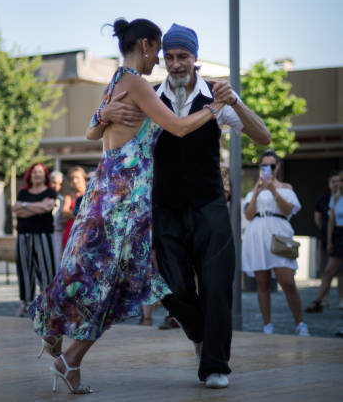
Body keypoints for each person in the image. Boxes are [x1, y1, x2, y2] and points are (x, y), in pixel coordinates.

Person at [29, 18, 230, 394]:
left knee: (97, 277)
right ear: (144, 45)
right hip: (123, 202)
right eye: (158, 50)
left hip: (106, 193)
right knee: (112, 283)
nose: (160, 60)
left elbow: (93, 130)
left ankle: (60, 346)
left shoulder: (118, 79)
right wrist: (216, 107)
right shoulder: (137, 82)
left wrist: (101, 117)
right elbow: (179, 127)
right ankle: (64, 353)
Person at [93, 23, 271, 388]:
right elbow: (103, 129)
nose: (174, 64)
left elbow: (262, 136)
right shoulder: (150, 97)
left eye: (182, 56)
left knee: (217, 282)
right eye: (169, 56)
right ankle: (201, 335)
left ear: (195, 59)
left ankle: (215, 365)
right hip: (165, 207)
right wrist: (106, 112)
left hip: (209, 205)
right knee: (169, 287)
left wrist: (235, 100)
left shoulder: (217, 98)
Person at [242, 151, 309, 335]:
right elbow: (248, 215)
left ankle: (300, 323)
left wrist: (273, 190)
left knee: (287, 281)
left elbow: (288, 211)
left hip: (279, 233)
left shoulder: (286, 187)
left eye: (272, 165)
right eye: (264, 166)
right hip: (257, 234)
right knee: (262, 283)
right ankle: (267, 325)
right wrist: (257, 191)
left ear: (277, 166)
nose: (268, 169)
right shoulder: (252, 190)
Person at [13, 163, 57, 318]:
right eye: (34, 172)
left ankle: (47, 304)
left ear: (45, 175)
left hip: (43, 234)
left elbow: (47, 208)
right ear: (30, 175)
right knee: (25, 269)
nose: (37, 175)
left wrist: (25, 207)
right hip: (24, 235)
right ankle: (24, 303)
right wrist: (37, 207)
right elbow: (17, 211)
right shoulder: (23, 193)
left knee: (46, 269)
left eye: (40, 172)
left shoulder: (50, 191)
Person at [306, 170, 343, 312]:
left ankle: (318, 301)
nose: (338, 184)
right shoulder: (333, 199)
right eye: (335, 181)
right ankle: (320, 300)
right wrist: (329, 241)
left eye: (340, 180)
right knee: (328, 270)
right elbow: (330, 223)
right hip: (337, 236)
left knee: (336, 271)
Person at [61, 166, 87, 250]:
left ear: (84, 179)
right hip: (70, 232)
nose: (74, 181)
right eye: (72, 178)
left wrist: (72, 213)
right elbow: (64, 213)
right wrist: (82, 214)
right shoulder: (68, 197)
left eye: (77, 178)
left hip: (86, 233)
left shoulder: (91, 195)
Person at [50, 170, 66, 266]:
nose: (56, 186)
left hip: (58, 234)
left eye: (60, 184)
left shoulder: (62, 200)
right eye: (54, 182)